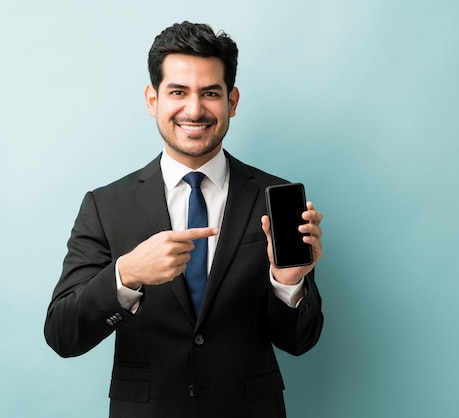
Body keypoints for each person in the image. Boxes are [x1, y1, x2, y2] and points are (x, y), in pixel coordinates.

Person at [44, 21, 324, 418]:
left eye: (210, 93)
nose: (194, 110)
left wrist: (288, 282)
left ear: (233, 101)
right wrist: (126, 274)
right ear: (152, 99)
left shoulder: (273, 199)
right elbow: (62, 334)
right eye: (178, 92)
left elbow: (300, 341)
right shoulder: (105, 205)